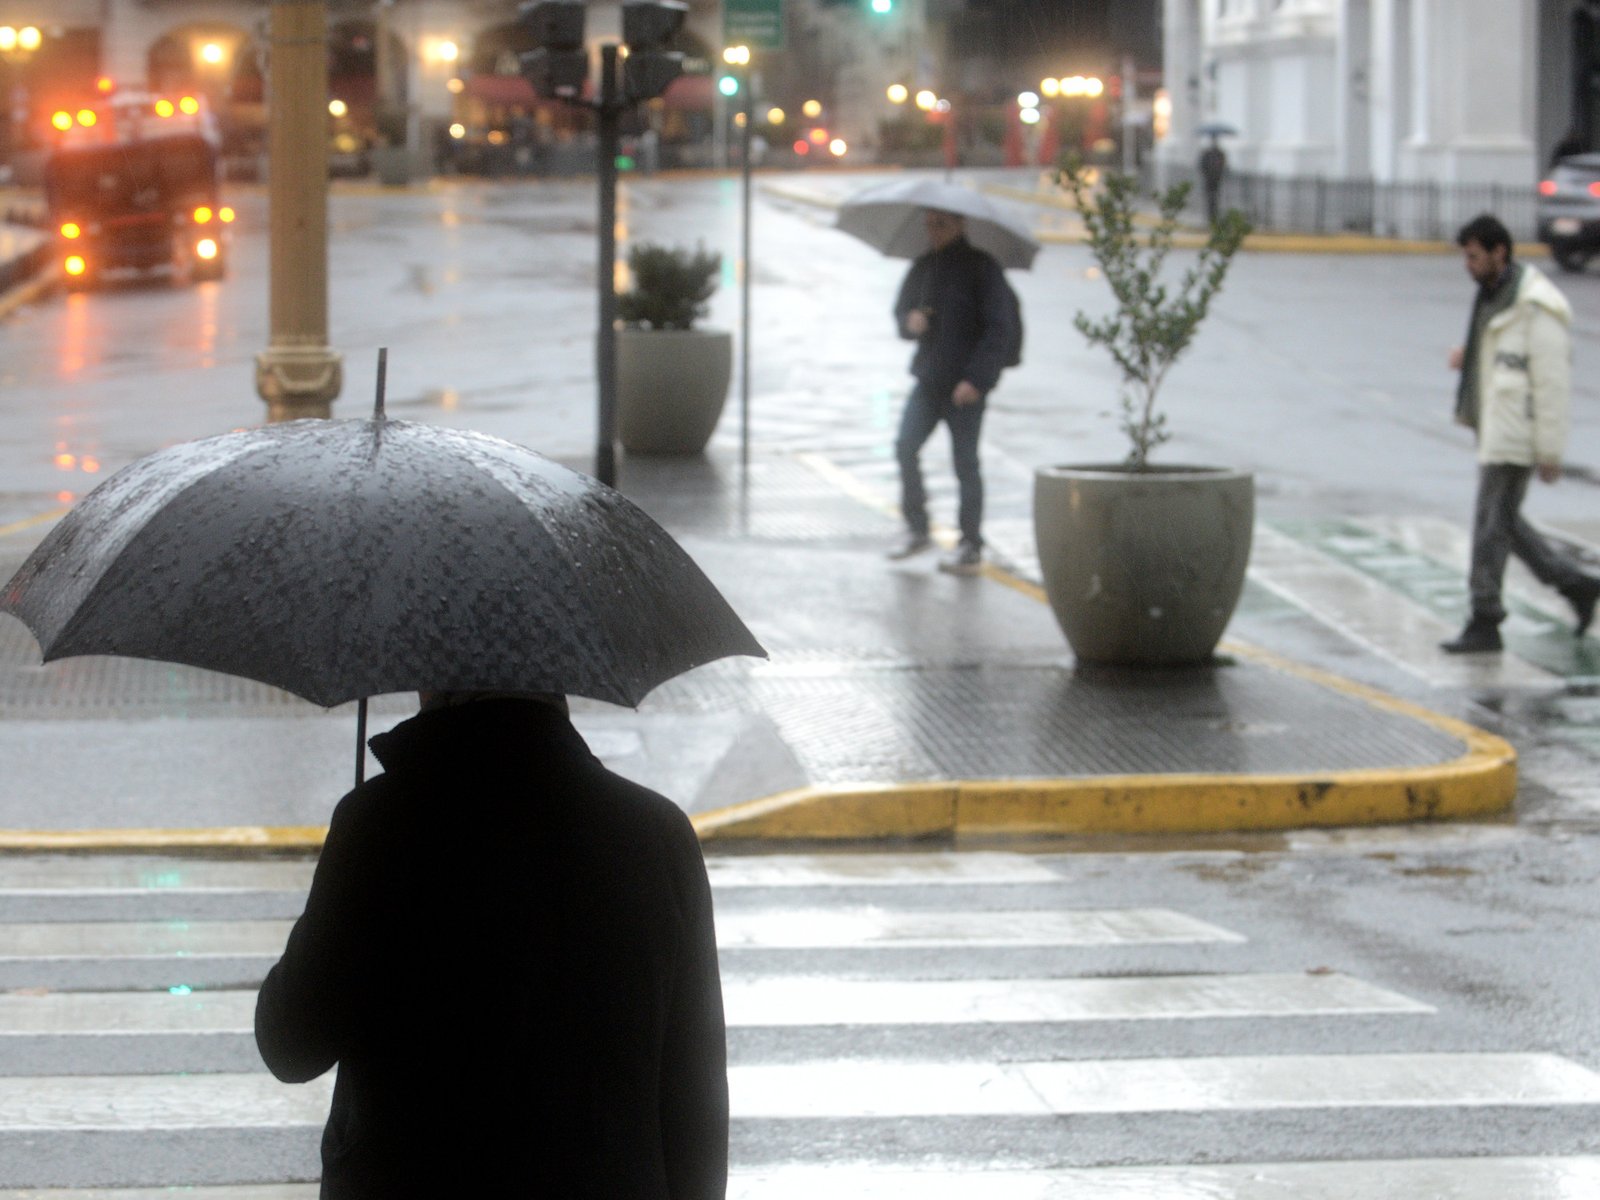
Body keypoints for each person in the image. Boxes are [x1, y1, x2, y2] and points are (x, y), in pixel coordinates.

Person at [256, 691, 728, 1199]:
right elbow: (693, 1092)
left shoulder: (383, 823)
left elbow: (291, 1046)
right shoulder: (655, 833)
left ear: (437, 678)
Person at [1440, 214, 1600, 654]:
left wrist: (1550, 451)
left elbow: (1552, 383)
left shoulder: (1534, 305)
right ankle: (1576, 585)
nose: (1468, 265)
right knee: (1505, 523)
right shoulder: (1493, 293)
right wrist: (1469, 357)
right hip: (1496, 426)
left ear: (1499, 253)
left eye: (1474, 257)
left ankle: (1485, 617)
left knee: (1490, 525)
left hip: (1516, 433)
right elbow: (1500, 352)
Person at [887, 208, 1020, 575]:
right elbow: (900, 313)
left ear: (961, 224)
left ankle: (970, 542)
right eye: (929, 224)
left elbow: (1000, 329)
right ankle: (917, 528)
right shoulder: (924, 267)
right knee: (904, 446)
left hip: (965, 388)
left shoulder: (982, 269)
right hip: (929, 381)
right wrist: (909, 322)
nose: (934, 231)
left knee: (965, 464)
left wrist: (977, 380)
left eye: (941, 224)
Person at [1198, 140, 1228, 225]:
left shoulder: (1215, 154)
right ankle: (1212, 216)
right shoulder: (1217, 154)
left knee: (1213, 198)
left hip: (1214, 180)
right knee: (1212, 198)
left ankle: (1213, 216)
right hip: (1212, 179)